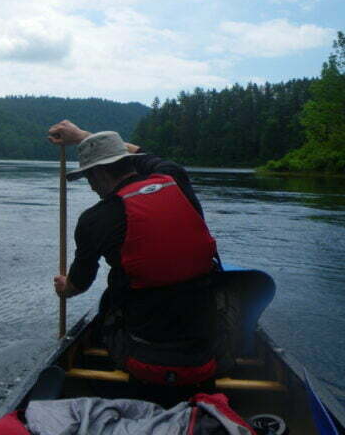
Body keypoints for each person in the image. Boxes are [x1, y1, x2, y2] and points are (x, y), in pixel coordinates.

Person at [48, 119, 220, 389]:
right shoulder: (174, 177)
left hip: (142, 355)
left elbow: (78, 285)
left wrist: (63, 288)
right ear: (128, 162)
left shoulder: (94, 219)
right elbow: (144, 154)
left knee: (110, 303)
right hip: (209, 346)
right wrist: (82, 135)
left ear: (99, 174)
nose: (91, 186)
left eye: (88, 177)